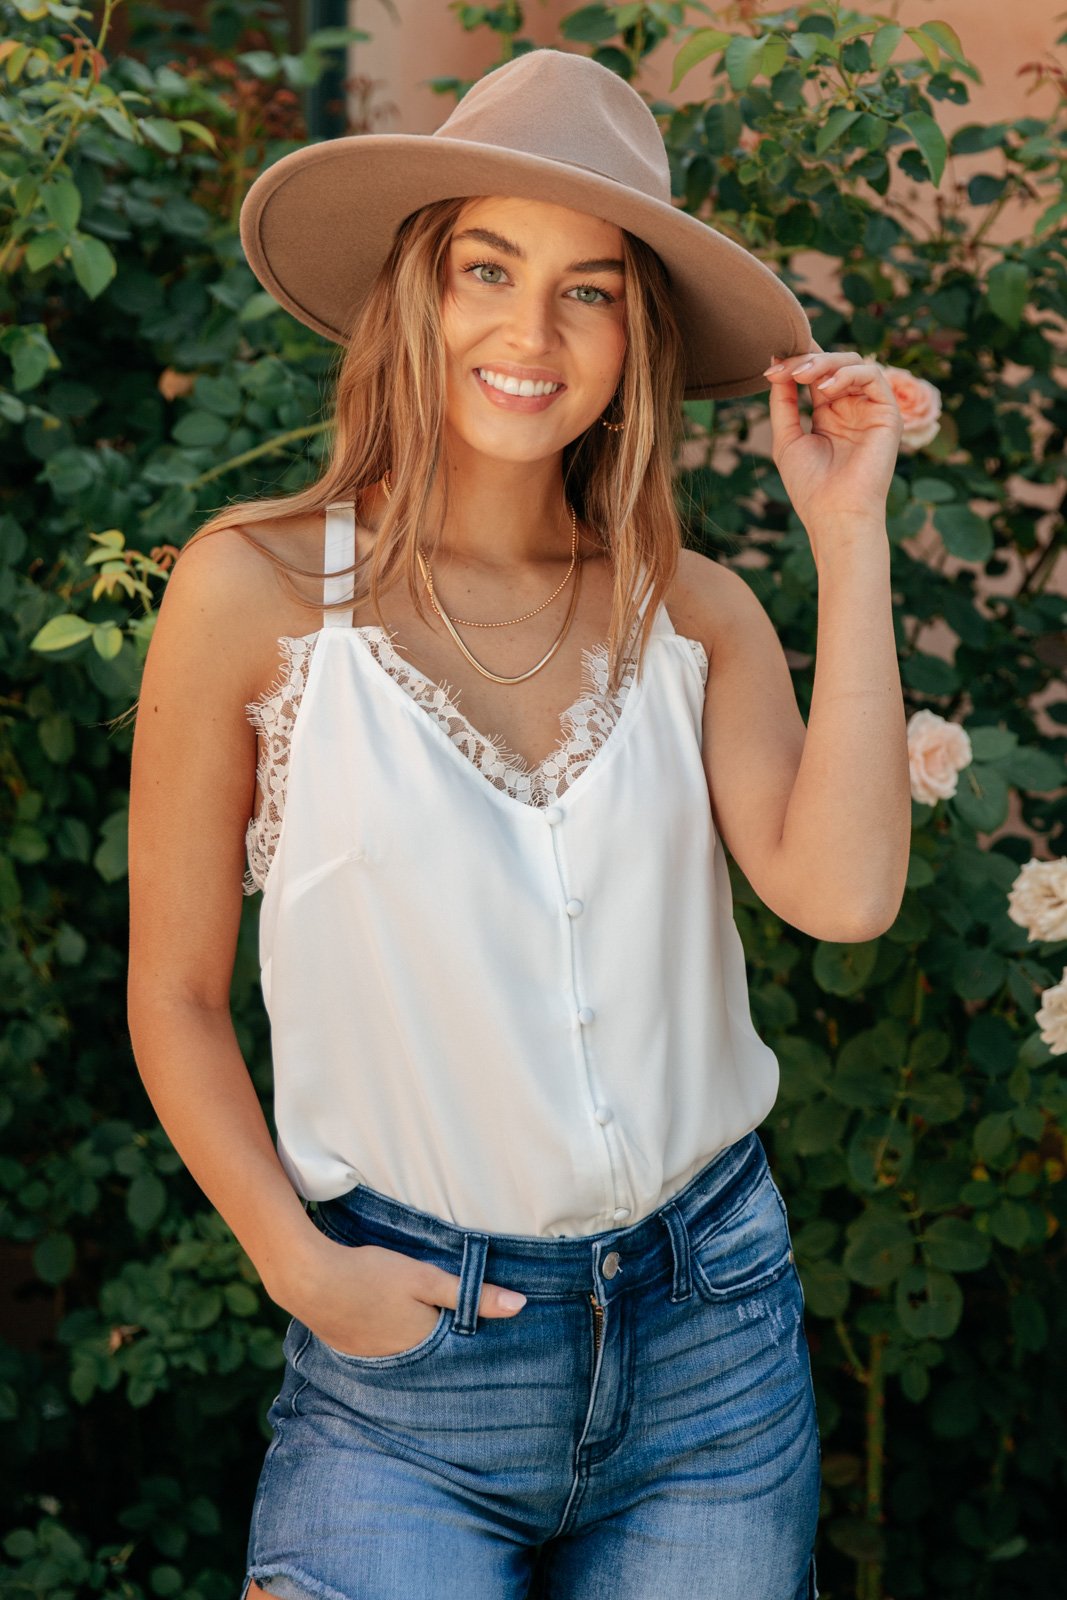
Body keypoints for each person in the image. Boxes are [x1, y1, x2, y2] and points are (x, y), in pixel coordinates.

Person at [126, 46, 909, 1600]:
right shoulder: (253, 593)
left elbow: (846, 894)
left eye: (590, 289)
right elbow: (175, 998)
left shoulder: (699, 613)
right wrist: (299, 1266)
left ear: (637, 335)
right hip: (409, 1357)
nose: (530, 333)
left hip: (713, 1342)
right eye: (490, 266)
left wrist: (853, 538)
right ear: (418, 290)